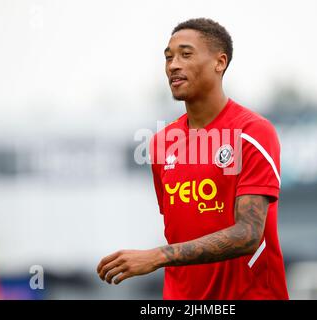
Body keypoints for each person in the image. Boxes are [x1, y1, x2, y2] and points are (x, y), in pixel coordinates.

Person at [98, 18, 288, 299]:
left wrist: (157, 256)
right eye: (168, 57)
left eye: (186, 54)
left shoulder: (252, 132)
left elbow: (248, 234)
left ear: (219, 62)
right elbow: (181, 231)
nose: (173, 65)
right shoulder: (162, 143)